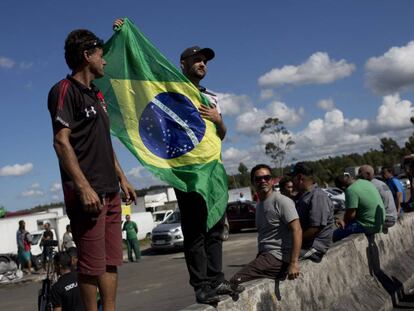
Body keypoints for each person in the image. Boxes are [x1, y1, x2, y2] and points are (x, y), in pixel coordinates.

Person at [48, 29, 136, 311]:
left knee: (110, 261)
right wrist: (83, 187)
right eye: (101, 55)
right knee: (90, 264)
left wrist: (122, 177)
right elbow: (61, 142)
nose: (105, 62)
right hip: (87, 194)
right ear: (87, 56)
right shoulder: (63, 90)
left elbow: (104, 142)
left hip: (110, 190)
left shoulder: (97, 95)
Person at [230, 164, 302, 285]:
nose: (263, 181)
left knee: (235, 281)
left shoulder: (282, 201)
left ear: (272, 181)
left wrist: (294, 263)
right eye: (258, 179)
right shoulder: (259, 204)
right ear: (253, 182)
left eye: (266, 177)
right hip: (265, 257)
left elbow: (297, 230)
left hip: (278, 258)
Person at [291, 162, 334, 263]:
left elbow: (315, 229)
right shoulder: (305, 196)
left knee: (281, 259)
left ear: (300, 178)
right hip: (306, 245)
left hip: (314, 248)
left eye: (293, 178)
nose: (292, 182)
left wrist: (295, 241)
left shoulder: (317, 196)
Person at [333, 174, 385, 242]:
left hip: (369, 225)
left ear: (343, 187)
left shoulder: (350, 190)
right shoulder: (365, 182)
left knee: (335, 234)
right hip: (380, 222)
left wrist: (343, 221)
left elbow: (351, 214)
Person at [358, 165, 397, 229]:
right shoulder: (380, 183)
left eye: (360, 174)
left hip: (386, 219)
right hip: (393, 217)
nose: (359, 177)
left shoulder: (370, 185)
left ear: (368, 174)